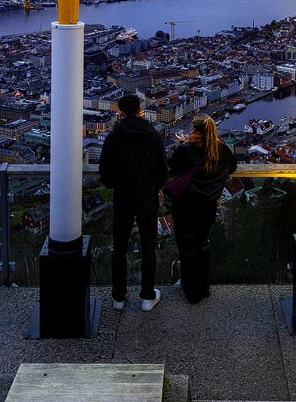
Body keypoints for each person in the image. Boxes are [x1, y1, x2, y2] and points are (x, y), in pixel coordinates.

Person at [99, 94, 168, 312]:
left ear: (120, 112)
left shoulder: (113, 137)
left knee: (119, 248)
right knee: (149, 248)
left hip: (123, 199)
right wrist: (154, 186)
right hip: (147, 199)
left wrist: (115, 184)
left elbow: (105, 174)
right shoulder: (153, 135)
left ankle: (118, 297)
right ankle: (147, 296)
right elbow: (163, 170)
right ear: (140, 110)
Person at [168, 115, 237, 304]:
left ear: (194, 130)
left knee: (186, 245)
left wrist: (183, 144)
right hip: (207, 205)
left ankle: (191, 290)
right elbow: (231, 168)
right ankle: (204, 287)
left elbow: (174, 169)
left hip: (185, 204)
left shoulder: (185, 150)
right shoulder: (221, 150)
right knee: (203, 243)